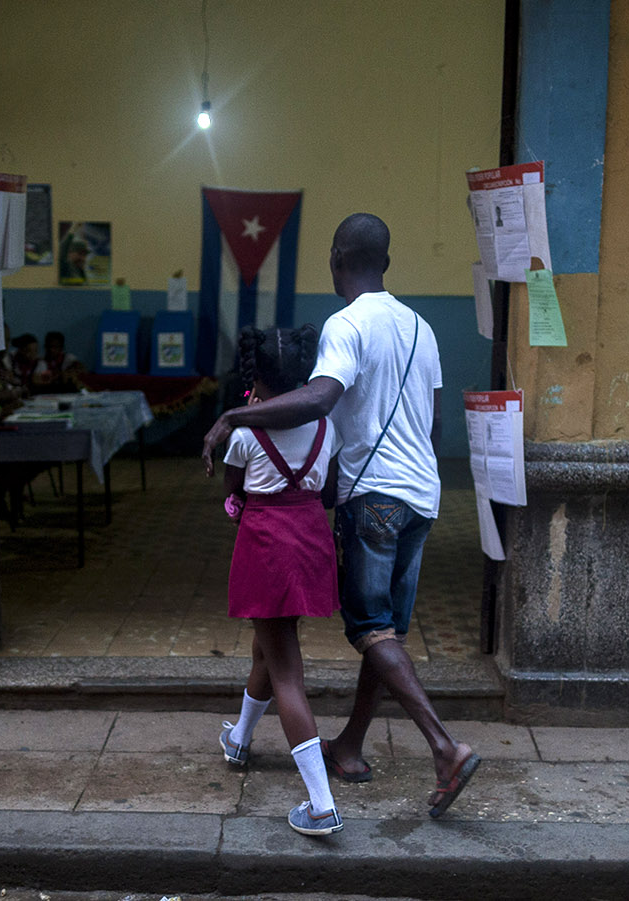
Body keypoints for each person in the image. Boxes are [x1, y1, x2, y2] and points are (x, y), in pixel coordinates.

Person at [203, 212, 479, 819]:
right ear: (387, 262)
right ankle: (349, 747)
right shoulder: (423, 328)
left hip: (373, 497)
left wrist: (234, 416)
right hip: (422, 495)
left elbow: (320, 397)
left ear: (335, 259)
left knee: (371, 629)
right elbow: (434, 424)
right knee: (387, 634)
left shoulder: (345, 323)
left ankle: (444, 746)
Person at [216, 324, 345, 836]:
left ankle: (321, 805)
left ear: (255, 379)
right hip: (310, 544)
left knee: (286, 671)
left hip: (266, 548)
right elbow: (329, 493)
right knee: (267, 650)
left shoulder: (243, 435)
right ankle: (239, 739)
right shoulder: (326, 427)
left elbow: (233, 495)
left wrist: (244, 500)